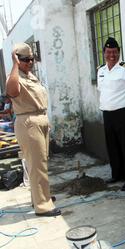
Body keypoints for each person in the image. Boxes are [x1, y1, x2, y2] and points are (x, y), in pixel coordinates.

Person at [5, 43, 60, 217]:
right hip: (28, 122)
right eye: (24, 59)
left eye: (31, 59)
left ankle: (39, 196)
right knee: (37, 164)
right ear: (16, 59)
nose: (29, 62)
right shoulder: (15, 76)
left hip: (39, 119)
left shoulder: (30, 76)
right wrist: (14, 65)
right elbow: (12, 91)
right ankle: (42, 205)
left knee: (40, 162)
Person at [97, 37, 125, 191]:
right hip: (107, 114)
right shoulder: (101, 70)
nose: (112, 55)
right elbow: (102, 91)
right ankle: (117, 174)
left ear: (119, 52)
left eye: (115, 52)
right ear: (104, 53)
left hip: (123, 114)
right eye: (109, 52)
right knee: (112, 146)